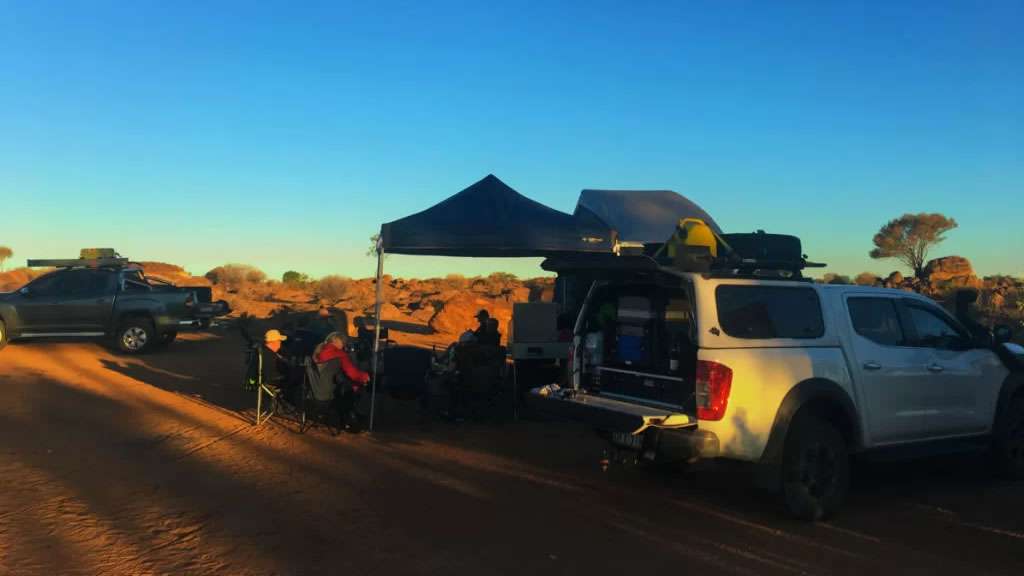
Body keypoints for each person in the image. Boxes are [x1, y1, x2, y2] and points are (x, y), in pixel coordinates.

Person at [315, 332, 371, 430]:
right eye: (343, 342)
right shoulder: (340, 355)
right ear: (336, 341)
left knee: (346, 382)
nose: (344, 344)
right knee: (356, 385)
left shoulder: (318, 350)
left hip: (316, 390)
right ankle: (351, 418)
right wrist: (366, 376)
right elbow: (353, 374)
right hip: (331, 393)